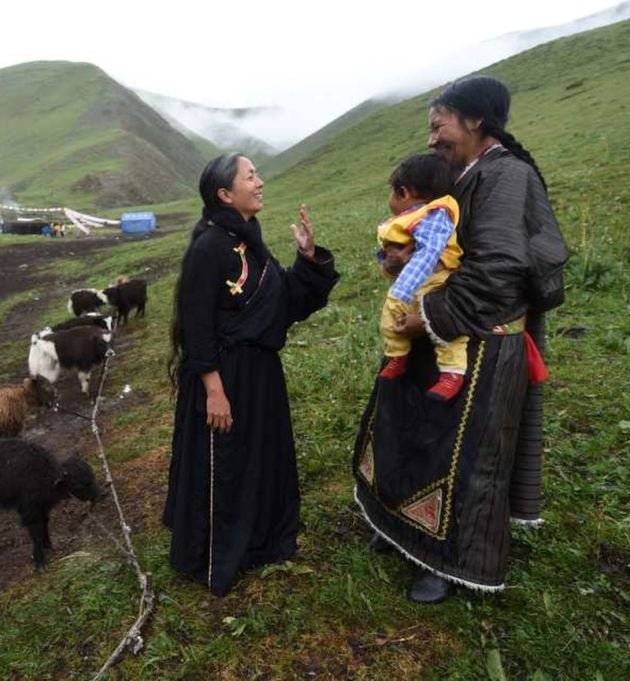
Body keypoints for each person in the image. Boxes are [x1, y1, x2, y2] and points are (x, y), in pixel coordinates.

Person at [353, 75, 567, 603]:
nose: (431, 139)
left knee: (470, 460)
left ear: (476, 120)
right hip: (442, 334)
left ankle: (453, 561)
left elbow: (498, 268)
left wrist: (426, 316)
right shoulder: (458, 179)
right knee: (418, 436)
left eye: (438, 125)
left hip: (481, 345)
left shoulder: (506, 177)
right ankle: (408, 534)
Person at [163, 153, 340, 596]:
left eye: (257, 174)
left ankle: (261, 542)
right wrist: (213, 390)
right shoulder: (208, 247)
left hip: (260, 376)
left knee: (258, 459)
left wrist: (307, 256)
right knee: (224, 465)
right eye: (250, 176)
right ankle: (216, 552)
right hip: (225, 377)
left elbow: (284, 304)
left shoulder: (247, 240)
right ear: (225, 194)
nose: (260, 182)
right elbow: (196, 325)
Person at [376, 153, 468, 401]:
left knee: (447, 333)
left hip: (435, 280)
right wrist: (389, 263)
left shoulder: (435, 214)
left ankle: (452, 374)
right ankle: (398, 356)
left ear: (403, 193)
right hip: (408, 282)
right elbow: (390, 254)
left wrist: (405, 285)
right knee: (389, 317)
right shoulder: (409, 218)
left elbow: (429, 252)